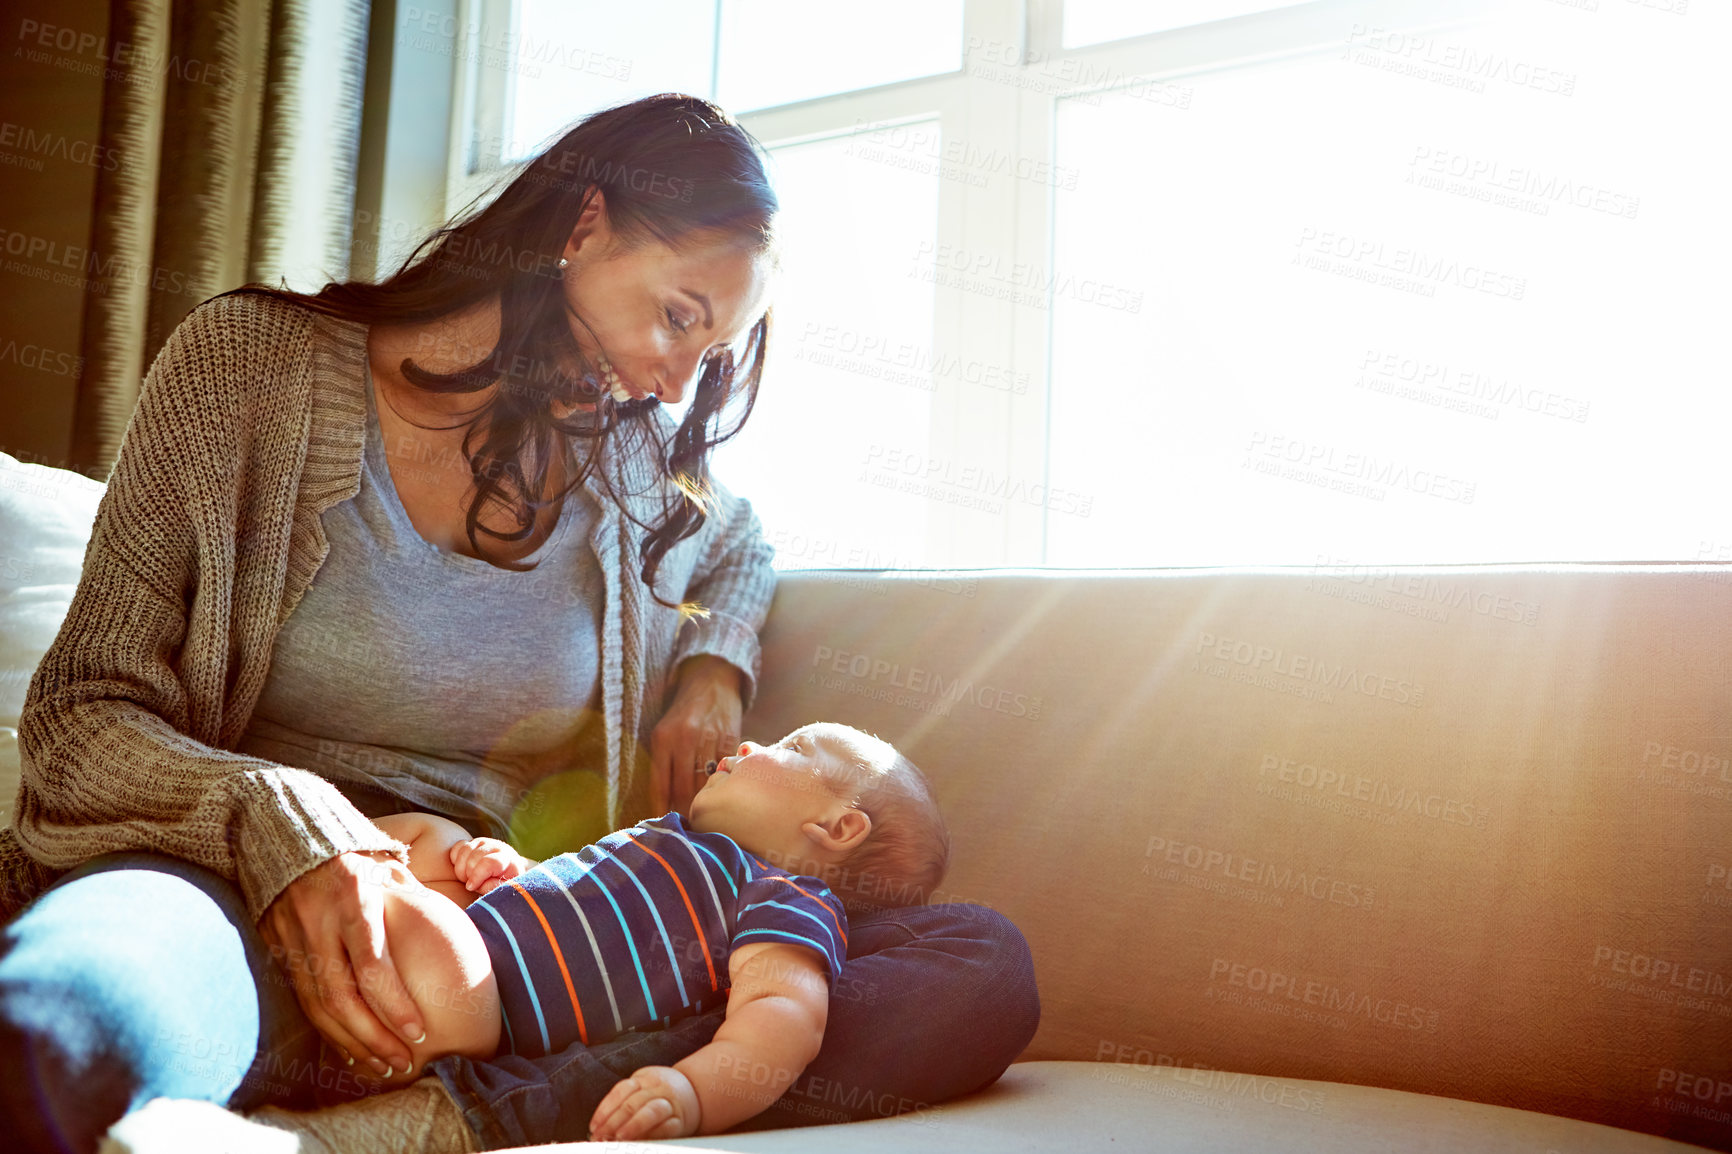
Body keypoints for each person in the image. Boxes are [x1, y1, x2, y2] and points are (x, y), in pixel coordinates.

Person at [0, 94, 1038, 1154]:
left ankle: (457, 1111)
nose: (675, 385)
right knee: (50, 1035)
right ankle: (472, 1103)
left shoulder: (627, 459)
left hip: (522, 959)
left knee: (978, 959)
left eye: (709, 351)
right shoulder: (249, 369)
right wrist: (290, 828)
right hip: (241, 899)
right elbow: (80, 718)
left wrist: (713, 669)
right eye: (678, 317)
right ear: (580, 226)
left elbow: (741, 542)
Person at [104, 723, 949, 1148]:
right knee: (431, 836)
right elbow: (561, 896)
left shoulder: (783, 895)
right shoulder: (678, 841)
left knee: (429, 913)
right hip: (458, 943)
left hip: (471, 1007)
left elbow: (785, 1018)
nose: (754, 739)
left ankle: (298, 944)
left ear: (836, 827)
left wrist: (692, 1093)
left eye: (794, 746)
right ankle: (302, 891)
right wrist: (504, 867)